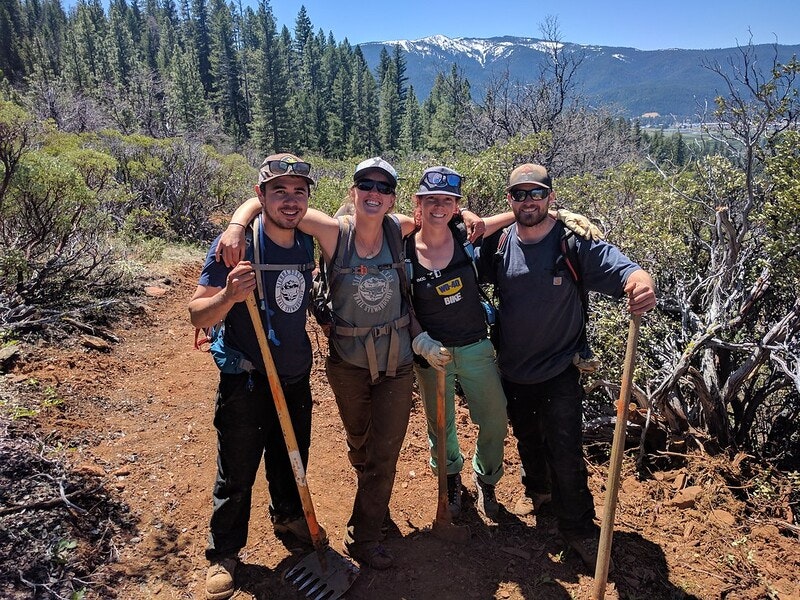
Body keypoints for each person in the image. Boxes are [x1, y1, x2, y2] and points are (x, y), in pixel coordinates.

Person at [219, 157, 460, 570]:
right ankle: (373, 502)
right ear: (353, 192)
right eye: (366, 185)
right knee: (361, 445)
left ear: (393, 199)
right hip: (348, 364)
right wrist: (238, 224)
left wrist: (546, 212)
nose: (375, 193)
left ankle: (364, 536)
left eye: (384, 188)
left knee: (385, 452)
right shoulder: (332, 232)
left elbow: (443, 216)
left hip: (398, 361)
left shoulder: (398, 227)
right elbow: (275, 204)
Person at [478, 163, 656, 571]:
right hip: (513, 367)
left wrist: (641, 284)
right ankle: (539, 494)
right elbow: (457, 258)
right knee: (526, 437)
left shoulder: (574, 243)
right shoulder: (501, 243)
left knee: (565, 449)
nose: (528, 201)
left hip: (561, 368)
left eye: (536, 193)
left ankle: (578, 529)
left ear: (550, 198)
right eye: (519, 194)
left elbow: (627, 271)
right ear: (510, 200)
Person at [188, 153, 325, 600]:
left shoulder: (306, 239)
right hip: (247, 379)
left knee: (292, 458)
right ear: (260, 195)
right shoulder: (235, 247)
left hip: (294, 375)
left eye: (298, 192)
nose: (290, 201)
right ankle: (224, 553)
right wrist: (228, 295)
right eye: (278, 191)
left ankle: (288, 517)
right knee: (238, 470)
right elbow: (196, 313)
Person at [404, 166, 509, 519]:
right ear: (418, 203)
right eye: (430, 199)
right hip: (432, 353)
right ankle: (449, 480)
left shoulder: (467, 236)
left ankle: (487, 478)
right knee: (440, 424)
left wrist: (555, 211)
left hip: (476, 344)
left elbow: (511, 217)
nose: (438, 207)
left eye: (447, 201)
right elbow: (402, 302)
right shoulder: (403, 248)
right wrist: (420, 340)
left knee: (495, 417)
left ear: (455, 206)